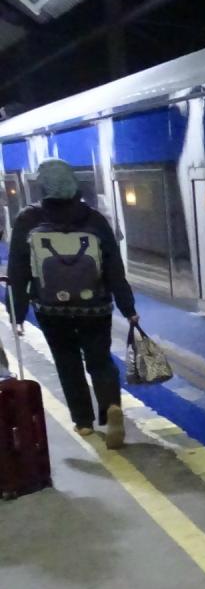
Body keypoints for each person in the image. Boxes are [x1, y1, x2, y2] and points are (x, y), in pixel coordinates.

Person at [8, 159, 138, 448]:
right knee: (100, 360)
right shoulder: (94, 219)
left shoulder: (29, 219)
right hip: (95, 307)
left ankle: (83, 422)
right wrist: (128, 308)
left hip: (51, 309)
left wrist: (16, 313)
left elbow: (18, 271)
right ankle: (110, 406)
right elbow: (114, 268)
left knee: (67, 362)